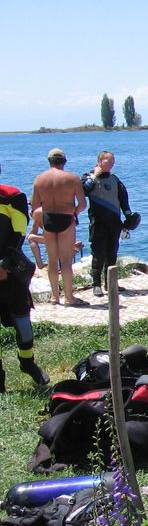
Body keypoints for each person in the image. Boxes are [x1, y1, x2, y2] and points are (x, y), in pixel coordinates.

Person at [0, 163, 50, 391]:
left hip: (10, 272)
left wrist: (4, 263)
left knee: (23, 324)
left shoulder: (12, 197)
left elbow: (19, 234)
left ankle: (27, 363)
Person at [30, 148, 87, 305]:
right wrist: (74, 212)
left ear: (49, 161)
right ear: (64, 161)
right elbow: (83, 204)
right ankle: (69, 297)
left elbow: (35, 206)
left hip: (48, 219)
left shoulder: (39, 179)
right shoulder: (72, 178)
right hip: (66, 218)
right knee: (66, 261)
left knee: (52, 260)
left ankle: (55, 297)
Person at [82, 151, 133, 297]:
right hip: (98, 222)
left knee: (112, 253)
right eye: (107, 161)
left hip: (114, 222)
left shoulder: (114, 179)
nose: (111, 163)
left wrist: (128, 215)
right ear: (99, 161)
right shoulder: (88, 176)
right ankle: (96, 284)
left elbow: (123, 197)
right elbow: (85, 190)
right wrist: (95, 175)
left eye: (112, 161)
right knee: (98, 254)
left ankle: (110, 283)